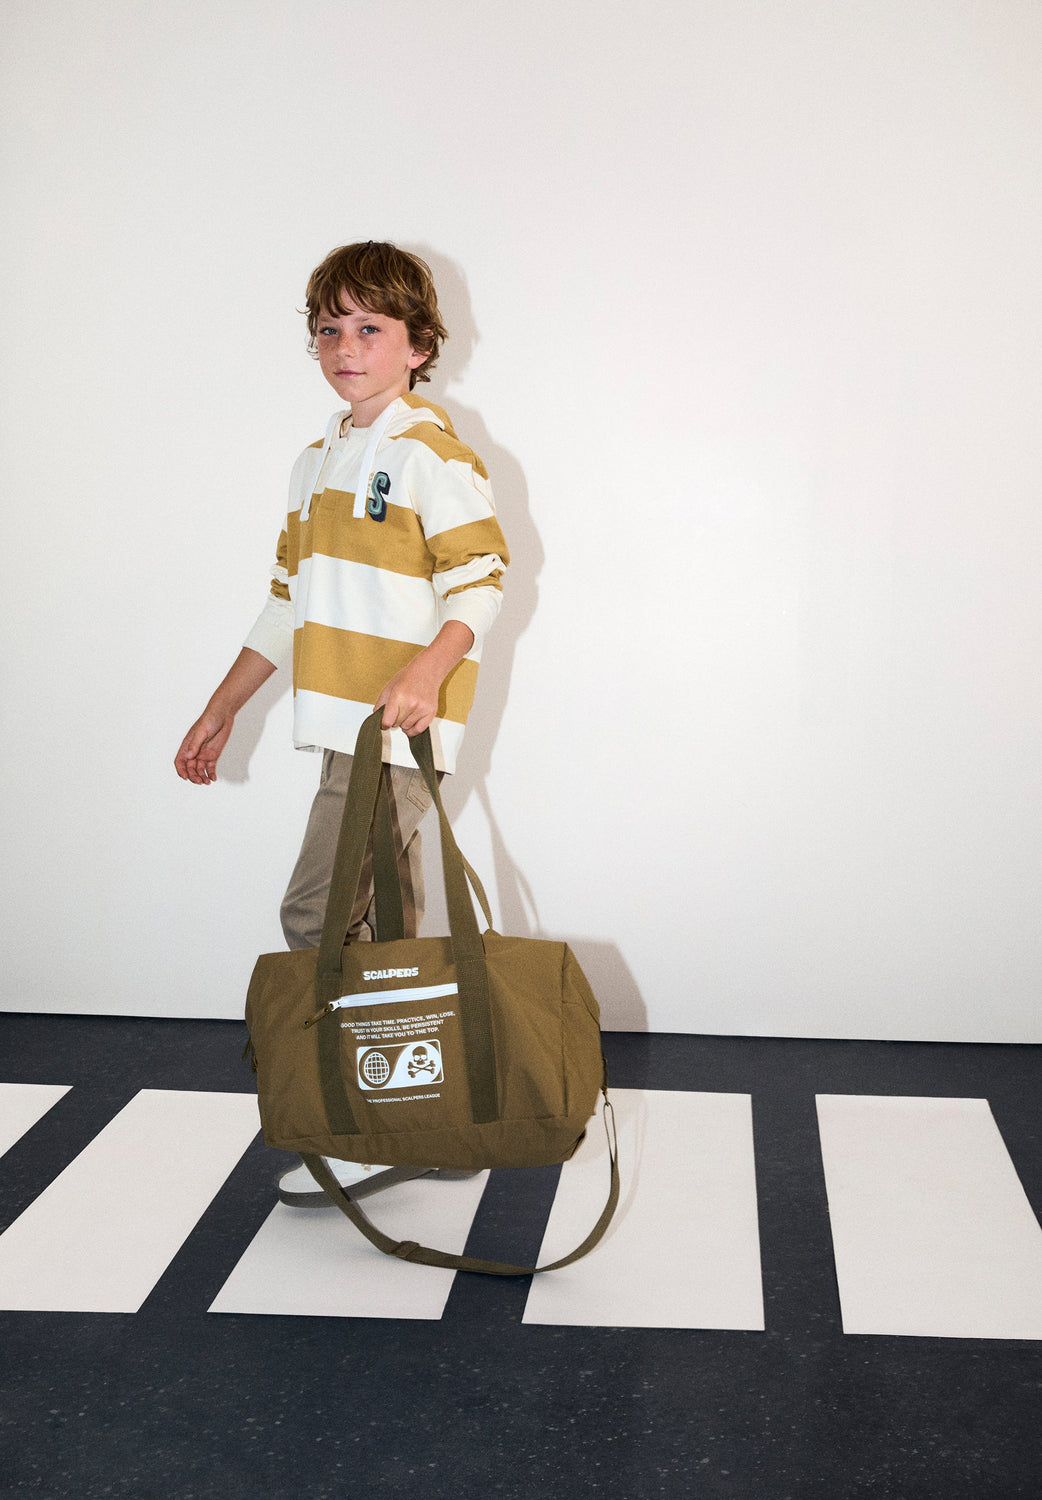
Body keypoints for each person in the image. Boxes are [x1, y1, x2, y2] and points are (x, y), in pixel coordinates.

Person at [175, 241, 509, 1205]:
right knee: (386, 929)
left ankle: (364, 1128)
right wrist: (223, 706)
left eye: (370, 328)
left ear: (419, 345)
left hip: (397, 735)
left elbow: (481, 578)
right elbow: (286, 600)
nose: (346, 347)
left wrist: (427, 672)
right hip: (340, 732)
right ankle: (428, 1117)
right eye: (329, 329)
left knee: (319, 918)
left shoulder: (431, 453)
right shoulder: (315, 461)